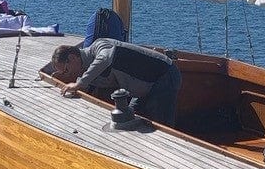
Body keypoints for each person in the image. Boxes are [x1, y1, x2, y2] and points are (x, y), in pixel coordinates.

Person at [48, 40, 181, 126]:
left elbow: (105, 58)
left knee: (162, 125)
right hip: (143, 89)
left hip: (164, 75)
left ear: (72, 58)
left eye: (66, 70)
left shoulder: (99, 46)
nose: (68, 75)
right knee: (128, 120)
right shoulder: (86, 72)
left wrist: (80, 83)